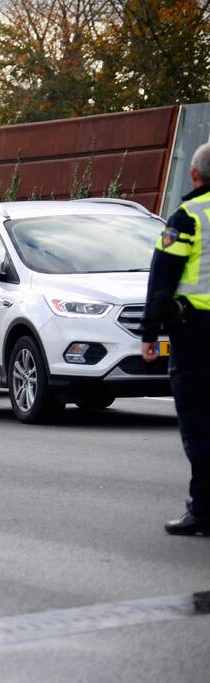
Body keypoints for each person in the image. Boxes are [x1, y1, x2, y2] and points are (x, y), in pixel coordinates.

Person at [141, 141, 210, 536]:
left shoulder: (187, 216)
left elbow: (162, 278)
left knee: (200, 421)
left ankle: (202, 509)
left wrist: (149, 334)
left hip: (197, 335)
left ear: (194, 174)